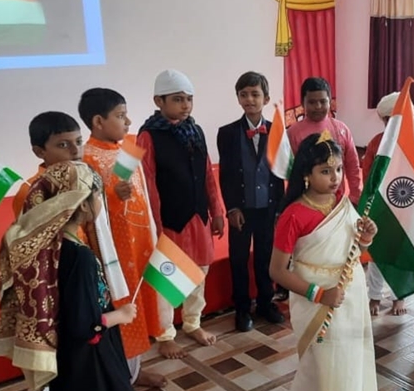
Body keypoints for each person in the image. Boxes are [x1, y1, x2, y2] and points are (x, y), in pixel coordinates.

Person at [0, 161, 141, 391]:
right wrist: (120, 316)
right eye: (97, 195)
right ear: (82, 204)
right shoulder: (79, 256)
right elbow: (84, 326)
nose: (100, 202)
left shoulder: (54, 246)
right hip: (83, 366)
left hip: (69, 361)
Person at [269, 131, 381, 391]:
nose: (334, 178)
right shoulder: (294, 215)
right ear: (307, 173)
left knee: (350, 367)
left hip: (350, 296)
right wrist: (320, 294)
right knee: (326, 369)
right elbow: (277, 271)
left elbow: (351, 253)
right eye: (325, 171)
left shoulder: (343, 205)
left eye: (338, 170)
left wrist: (366, 238)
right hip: (318, 301)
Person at [12, 111, 85, 391]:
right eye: (63, 144)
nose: (74, 151)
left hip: (77, 298)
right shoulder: (32, 192)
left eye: (78, 142)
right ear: (39, 150)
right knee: (49, 386)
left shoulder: (80, 181)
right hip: (45, 303)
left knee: (79, 380)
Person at [79, 87, 167, 388]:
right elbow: (86, 207)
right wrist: (112, 195)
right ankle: (122, 377)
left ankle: (135, 370)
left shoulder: (127, 148)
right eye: (120, 115)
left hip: (140, 242)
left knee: (140, 303)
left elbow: (142, 194)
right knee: (122, 305)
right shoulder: (86, 158)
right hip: (114, 251)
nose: (128, 121)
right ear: (98, 121)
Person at [137, 69, 225, 359]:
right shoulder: (148, 136)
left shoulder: (195, 131)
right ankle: (165, 334)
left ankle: (192, 322)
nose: (185, 105)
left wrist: (217, 211)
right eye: (177, 99)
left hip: (198, 217)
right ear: (159, 101)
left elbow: (207, 173)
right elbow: (148, 184)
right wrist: (156, 226)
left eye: (189, 99)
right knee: (167, 279)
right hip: (170, 221)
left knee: (200, 271)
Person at [217, 71, 285, 332]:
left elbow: (280, 173)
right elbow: (226, 175)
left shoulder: (278, 130)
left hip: (268, 208)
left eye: (255, 94)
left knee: (265, 257)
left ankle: (266, 303)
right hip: (241, 210)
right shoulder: (227, 133)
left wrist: (279, 209)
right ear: (238, 98)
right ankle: (242, 308)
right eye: (243, 94)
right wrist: (231, 208)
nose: (249, 99)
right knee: (238, 258)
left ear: (265, 98)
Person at [361, 92, 408, 316]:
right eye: (389, 120)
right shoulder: (375, 143)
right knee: (377, 254)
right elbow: (368, 175)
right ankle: (375, 295)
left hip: (405, 207)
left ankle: (400, 296)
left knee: (400, 255)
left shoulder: (412, 143)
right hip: (380, 206)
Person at [286, 77, 362, 204]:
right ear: (302, 103)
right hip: (306, 201)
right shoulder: (293, 133)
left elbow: (353, 166)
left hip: (338, 201)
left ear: (330, 101)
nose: (318, 106)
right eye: (312, 102)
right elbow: (291, 171)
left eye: (323, 101)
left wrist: (355, 196)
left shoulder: (342, 129)